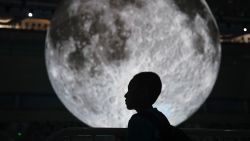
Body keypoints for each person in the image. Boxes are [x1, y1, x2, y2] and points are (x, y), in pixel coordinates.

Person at [124, 72, 172, 141]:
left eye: (130, 90)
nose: (125, 95)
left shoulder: (138, 121)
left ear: (142, 93)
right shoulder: (160, 117)